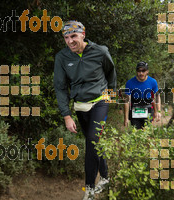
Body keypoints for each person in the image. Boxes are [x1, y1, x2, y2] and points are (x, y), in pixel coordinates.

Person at [54, 21, 117, 200]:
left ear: (83, 34)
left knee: (92, 142)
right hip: (80, 105)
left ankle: (89, 189)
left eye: (73, 36)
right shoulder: (62, 57)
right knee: (95, 144)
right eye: (66, 38)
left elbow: (111, 73)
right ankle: (105, 177)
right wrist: (66, 115)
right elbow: (60, 87)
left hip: (100, 101)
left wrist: (110, 95)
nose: (70, 41)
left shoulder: (100, 51)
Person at [124, 62, 161, 129]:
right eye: (139, 71)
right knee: (136, 132)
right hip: (135, 109)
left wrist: (157, 111)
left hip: (148, 109)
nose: (141, 73)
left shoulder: (153, 82)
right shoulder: (129, 83)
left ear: (147, 71)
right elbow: (126, 101)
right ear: (136, 71)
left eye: (143, 71)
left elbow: (157, 96)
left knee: (147, 132)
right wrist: (126, 118)